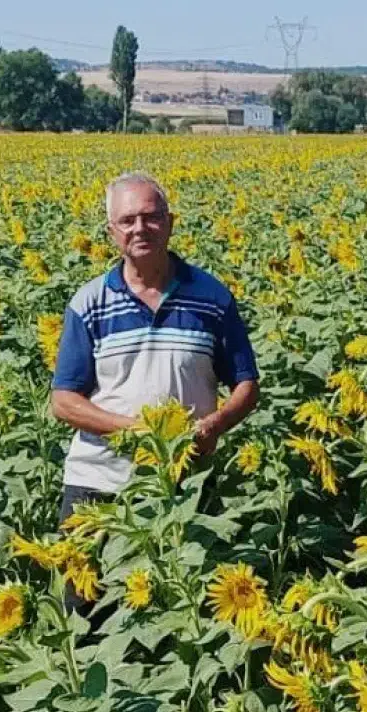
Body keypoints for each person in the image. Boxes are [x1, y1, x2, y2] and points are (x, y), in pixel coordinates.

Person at [51, 172, 260, 606]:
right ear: (111, 231)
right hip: (100, 482)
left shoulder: (212, 298)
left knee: (184, 606)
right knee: (83, 610)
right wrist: (138, 432)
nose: (140, 229)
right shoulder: (88, 303)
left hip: (184, 483)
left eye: (151, 217)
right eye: (127, 221)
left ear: (170, 222)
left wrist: (217, 423)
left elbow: (246, 383)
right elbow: (65, 402)